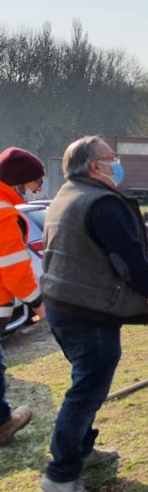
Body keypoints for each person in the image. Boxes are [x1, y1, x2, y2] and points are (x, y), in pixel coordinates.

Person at [39, 136, 148, 492]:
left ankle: (83, 448)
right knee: (87, 390)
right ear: (94, 167)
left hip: (62, 305)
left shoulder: (68, 194)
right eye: (110, 157)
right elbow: (129, 261)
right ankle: (62, 475)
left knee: (86, 382)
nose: (116, 162)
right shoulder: (101, 204)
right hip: (87, 311)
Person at [0, 147, 47, 444]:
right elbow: (14, 269)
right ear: (19, 181)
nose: (39, 187)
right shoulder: (4, 213)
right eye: (36, 181)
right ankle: (2, 424)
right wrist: (37, 302)